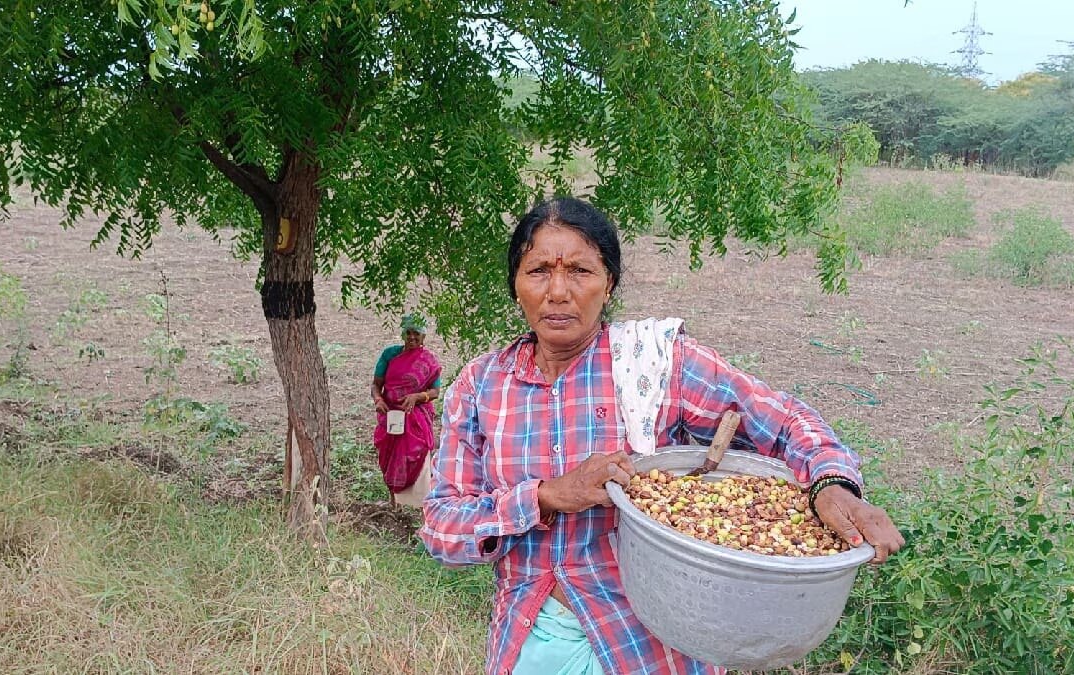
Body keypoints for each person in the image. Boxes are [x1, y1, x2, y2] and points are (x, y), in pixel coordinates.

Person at [420, 197, 905, 675]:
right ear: (516, 285)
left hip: (649, 645)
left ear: (609, 283)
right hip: (530, 642)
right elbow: (443, 529)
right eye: (539, 270)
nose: (559, 291)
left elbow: (785, 421)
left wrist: (832, 485)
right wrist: (546, 497)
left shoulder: (654, 366)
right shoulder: (482, 386)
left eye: (581, 272)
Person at [372, 315, 442, 508]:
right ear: (403, 334)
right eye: (408, 333)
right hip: (391, 415)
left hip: (416, 419)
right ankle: (394, 503)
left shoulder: (428, 361)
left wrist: (416, 397)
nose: (412, 337)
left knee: (416, 456)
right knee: (389, 455)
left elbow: (435, 392)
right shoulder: (390, 355)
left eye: (416, 334)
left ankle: (423, 508)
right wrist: (378, 399)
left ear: (423, 337)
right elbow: (376, 385)